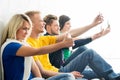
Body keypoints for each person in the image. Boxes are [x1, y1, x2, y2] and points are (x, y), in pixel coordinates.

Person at [25, 11, 120, 80]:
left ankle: (113, 76)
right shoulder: (28, 44)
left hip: (59, 69)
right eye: (41, 21)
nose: (44, 23)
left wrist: (92, 25)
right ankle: (114, 77)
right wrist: (68, 74)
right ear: (31, 24)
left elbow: (71, 34)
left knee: (92, 69)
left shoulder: (43, 39)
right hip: (58, 72)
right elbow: (42, 72)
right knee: (89, 56)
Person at [0, 13, 79, 80]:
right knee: (68, 76)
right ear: (15, 28)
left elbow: (35, 69)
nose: (27, 32)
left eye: (28, 29)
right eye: (24, 29)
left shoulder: (24, 44)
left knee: (71, 76)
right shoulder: (11, 46)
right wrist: (63, 44)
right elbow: (37, 51)